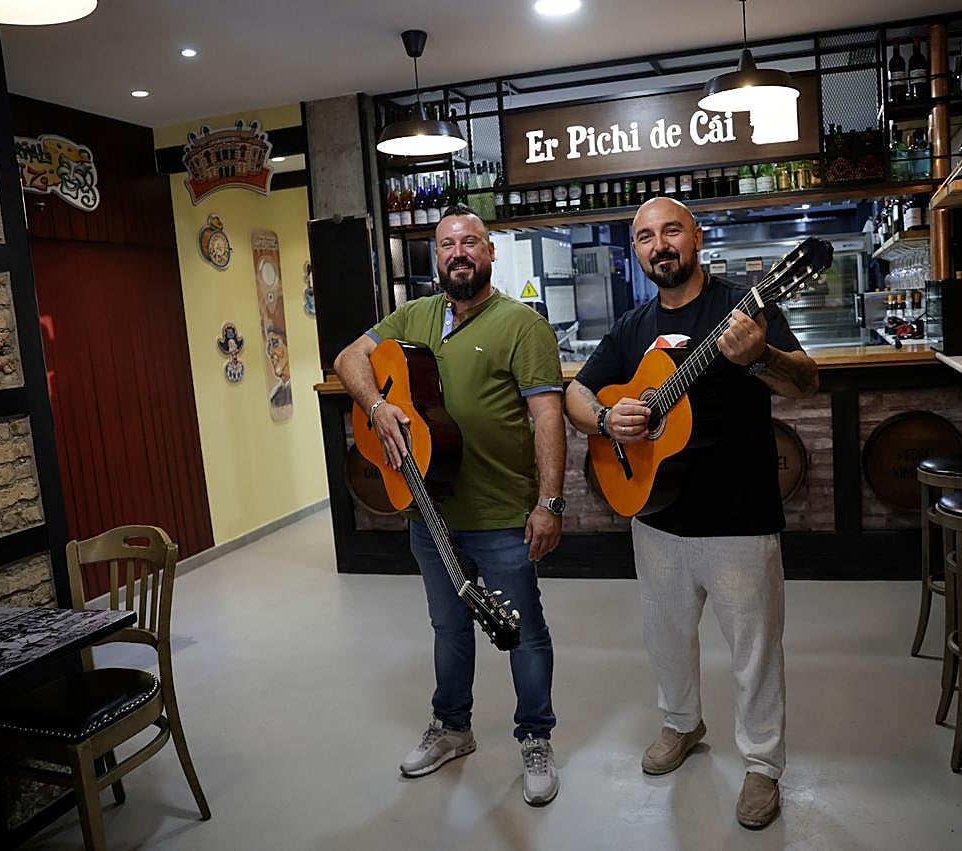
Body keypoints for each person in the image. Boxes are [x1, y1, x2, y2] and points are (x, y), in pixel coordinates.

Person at [563, 196, 819, 830]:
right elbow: (576, 391)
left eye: (671, 230)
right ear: (638, 251)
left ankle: (761, 766)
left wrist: (758, 356)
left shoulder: (745, 306)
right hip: (653, 514)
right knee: (666, 638)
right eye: (646, 237)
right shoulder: (632, 326)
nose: (660, 245)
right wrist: (603, 418)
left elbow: (806, 382)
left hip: (738, 514)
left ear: (697, 237)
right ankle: (682, 723)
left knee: (754, 651)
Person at [333, 204, 566, 806]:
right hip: (429, 513)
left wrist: (549, 502)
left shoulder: (522, 325)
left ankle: (535, 738)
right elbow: (348, 359)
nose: (457, 254)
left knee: (523, 632)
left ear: (490, 253)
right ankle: (453, 728)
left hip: (500, 515)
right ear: (435, 257)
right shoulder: (414, 315)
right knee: (448, 627)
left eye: (469, 243)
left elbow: (548, 418)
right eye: (445, 245)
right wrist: (377, 406)